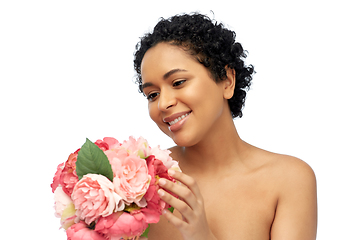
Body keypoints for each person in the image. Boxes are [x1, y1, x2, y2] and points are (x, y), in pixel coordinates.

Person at [133, 13, 317, 240]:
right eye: (152, 94)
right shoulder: (140, 182)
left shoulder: (289, 179)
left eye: (178, 82)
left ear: (228, 81)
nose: (163, 103)